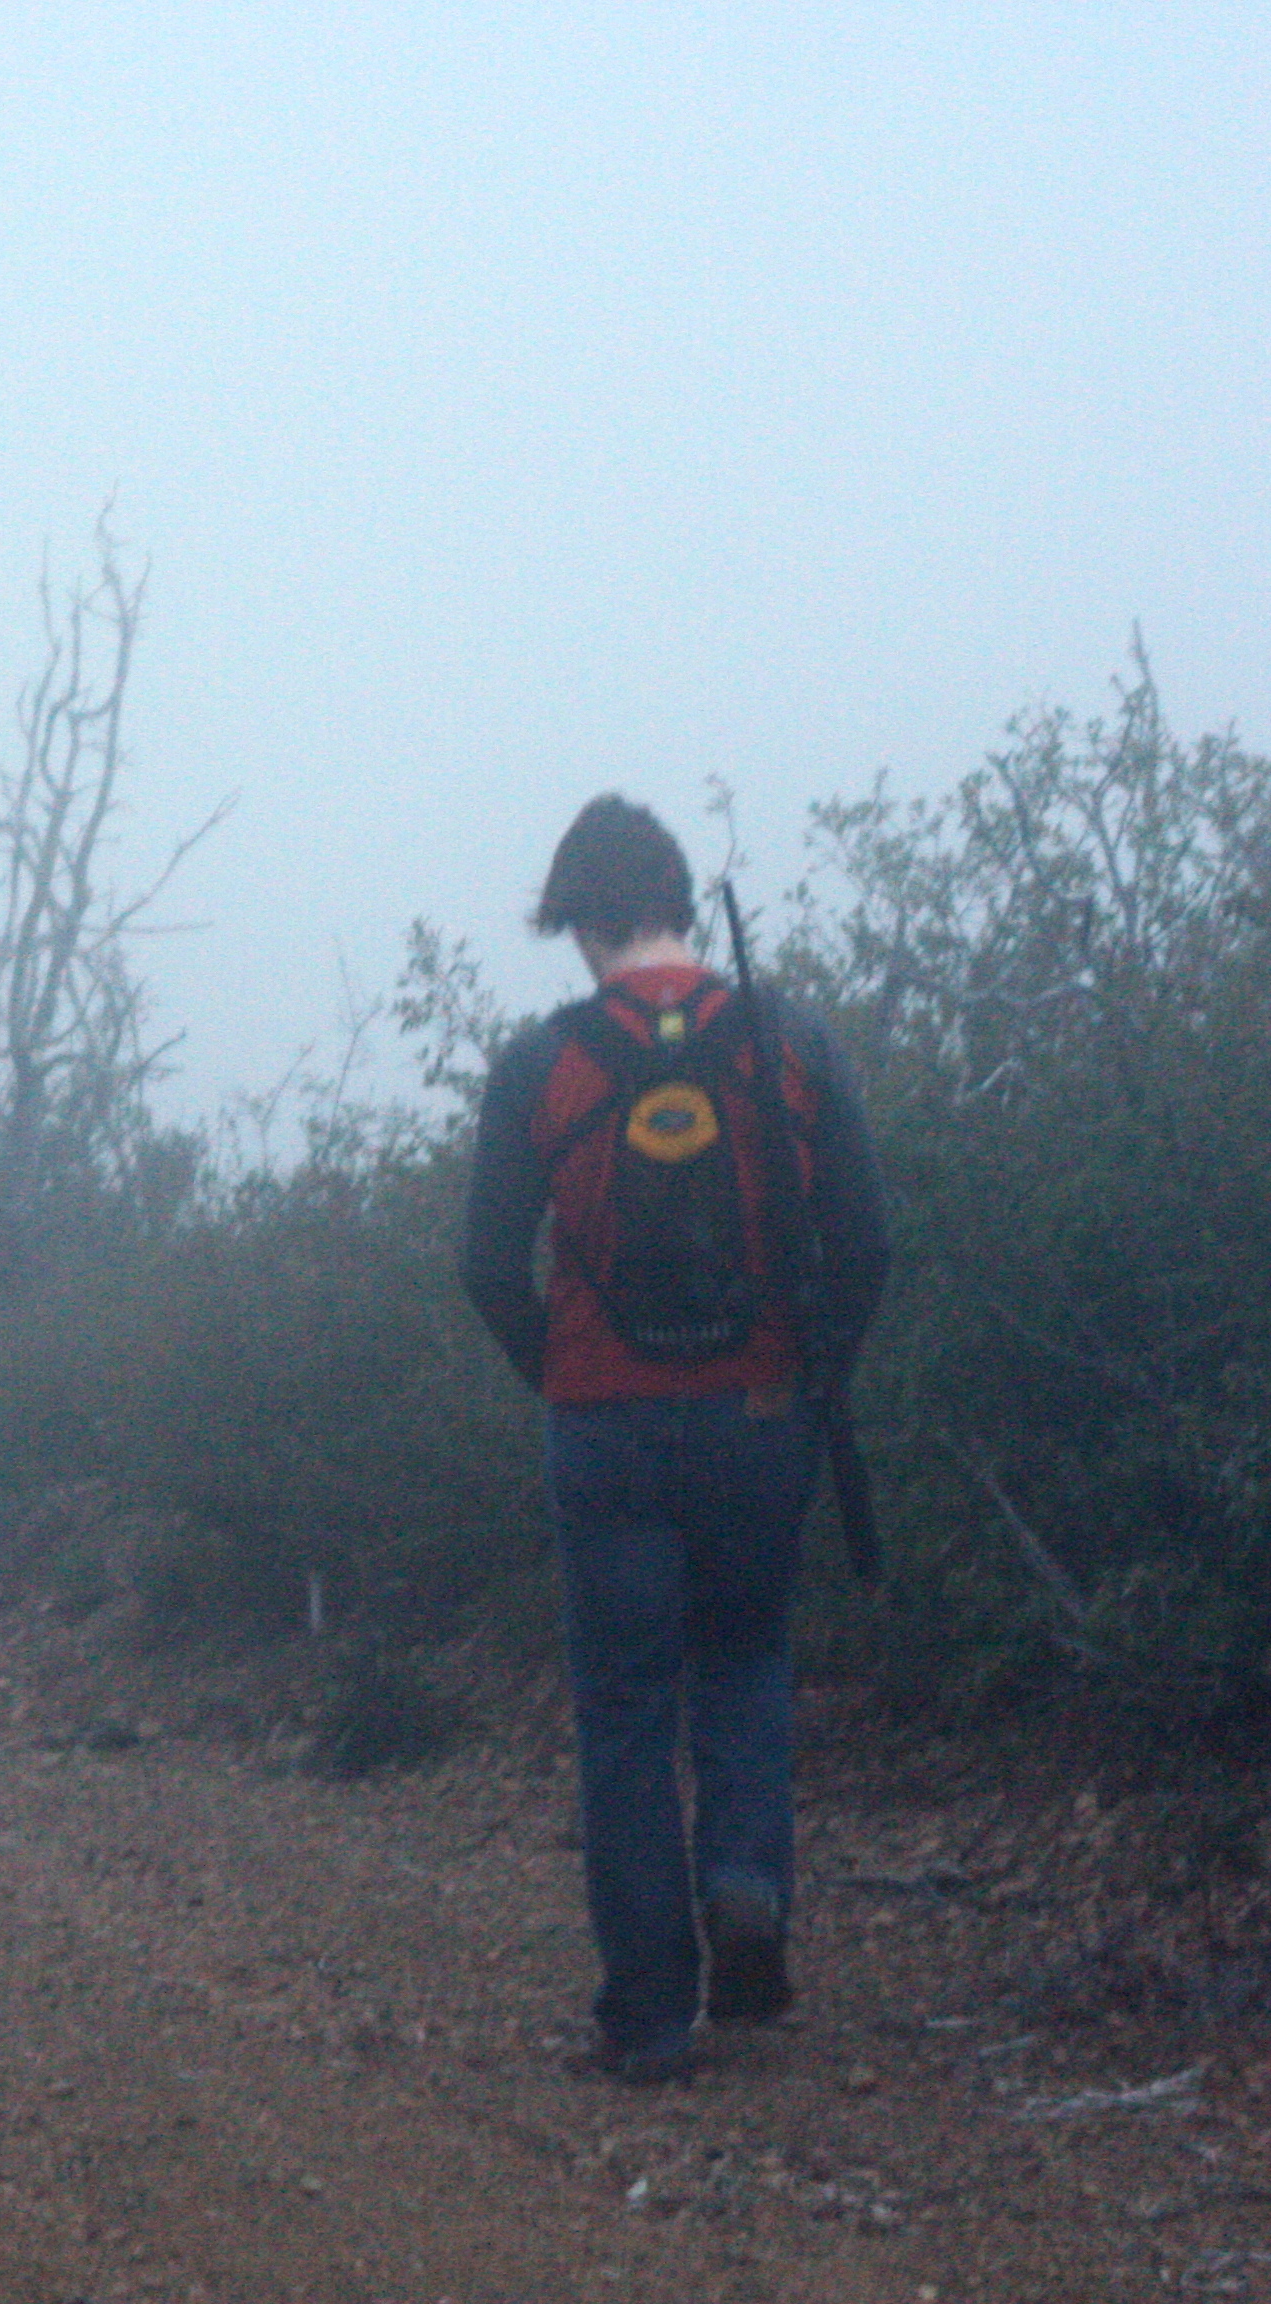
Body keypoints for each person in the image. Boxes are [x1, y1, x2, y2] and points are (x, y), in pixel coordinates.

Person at [458, 795, 887, 2084]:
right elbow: (867, 1245)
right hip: (763, 1418)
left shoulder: (541, 1065)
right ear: (683, 905)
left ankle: (648, 2021)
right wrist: (809, 1380)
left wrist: (565, 1375)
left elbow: (486, 1265)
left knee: (626, 1712)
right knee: (747, 1662)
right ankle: (747, 1884)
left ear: (582, 920)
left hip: (602, 1428)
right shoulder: (790, 1037)